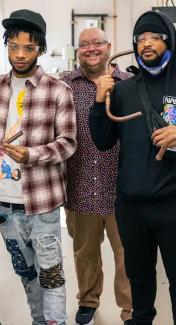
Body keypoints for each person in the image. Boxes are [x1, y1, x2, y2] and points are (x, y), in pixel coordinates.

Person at [0, 9, 77, 325]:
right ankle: (38, 320)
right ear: (6, 45)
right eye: (14, 46)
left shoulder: (57, 90)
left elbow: (68, 144)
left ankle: (54, 323)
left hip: (42, 204)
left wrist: (31, 155)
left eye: (28, 48)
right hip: (5, 203)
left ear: (41, 50)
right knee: (25, 271)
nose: (20, 55)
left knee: (50, 273)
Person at [89, 10, 176, 325]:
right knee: (139, 278)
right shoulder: (123, 89)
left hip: (174, 205)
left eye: (155, 37)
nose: (147, 44)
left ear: (169, 41)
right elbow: (102, 142)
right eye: (141, 38)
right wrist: (98, 101)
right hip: (130, 206)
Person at [61, 27, 133, 325]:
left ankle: (130, 309)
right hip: (79, 186)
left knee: (128, 254)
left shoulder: (128, 84)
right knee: (84, 253)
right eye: (84, 44)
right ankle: (88, 300)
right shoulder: (64, 85)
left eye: (97, 43)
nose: (91, 49)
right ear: (77, 50)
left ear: (109, 47)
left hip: (123, 189)